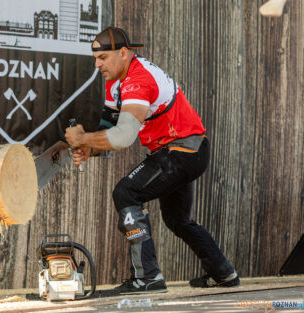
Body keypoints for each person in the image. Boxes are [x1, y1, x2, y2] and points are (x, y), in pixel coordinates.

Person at [65, 27, 240, 294]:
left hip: (182, 150)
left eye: (103, 57)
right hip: (183, 150)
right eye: (95, 58)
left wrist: (84, 139)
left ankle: (147, 278)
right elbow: (109, 127)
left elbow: (123, 137)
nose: (97, 64)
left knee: (126, 193)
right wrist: (90, 147)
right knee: (178, 220)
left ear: (123, 53)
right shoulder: (117, 80)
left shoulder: (138, 79)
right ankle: (224, 273)